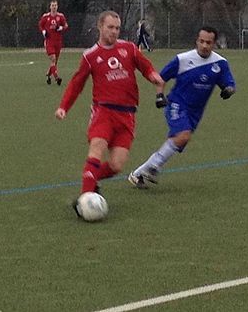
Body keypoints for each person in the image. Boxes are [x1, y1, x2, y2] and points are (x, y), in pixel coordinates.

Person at [55, 11, 165, 215]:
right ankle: (84, 200)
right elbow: (76, 84)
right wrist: (64, 107)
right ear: (100, 27)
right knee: (97, 148)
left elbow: (146, 67)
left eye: (117, 28)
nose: (114, 31)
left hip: (127, 115)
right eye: (110, 27)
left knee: (116, 165)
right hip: (103, 111)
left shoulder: (129, 49)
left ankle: (91, 178)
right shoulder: (90, 56)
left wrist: (154, 77)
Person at [128, 26, 236, 188]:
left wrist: (228, 90)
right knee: (183, 135)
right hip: (177, 104)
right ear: (196, 41)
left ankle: (138, 174)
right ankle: (154, 167)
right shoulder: (183, 59)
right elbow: (160, 78)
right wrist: (159, 96)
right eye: (202, 41)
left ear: (214, 44)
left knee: (178, 140)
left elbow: (228, 83)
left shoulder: (220, 63)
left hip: (196, 112)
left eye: (209, 42)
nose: (205, 45)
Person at [38, 0, 69, 85]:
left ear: (57, 6)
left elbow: (66, 25)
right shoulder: (46, 17)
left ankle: (48, 75)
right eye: (52, 5)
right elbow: (40, 25)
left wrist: (61, 28)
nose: (54, 7)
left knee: (54, 62)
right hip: (49, 42)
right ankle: (57, 78)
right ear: (50, 7)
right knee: (53, 59)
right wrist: (43, 31)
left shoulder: (60, 16)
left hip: (58, 42)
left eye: (55, 5)